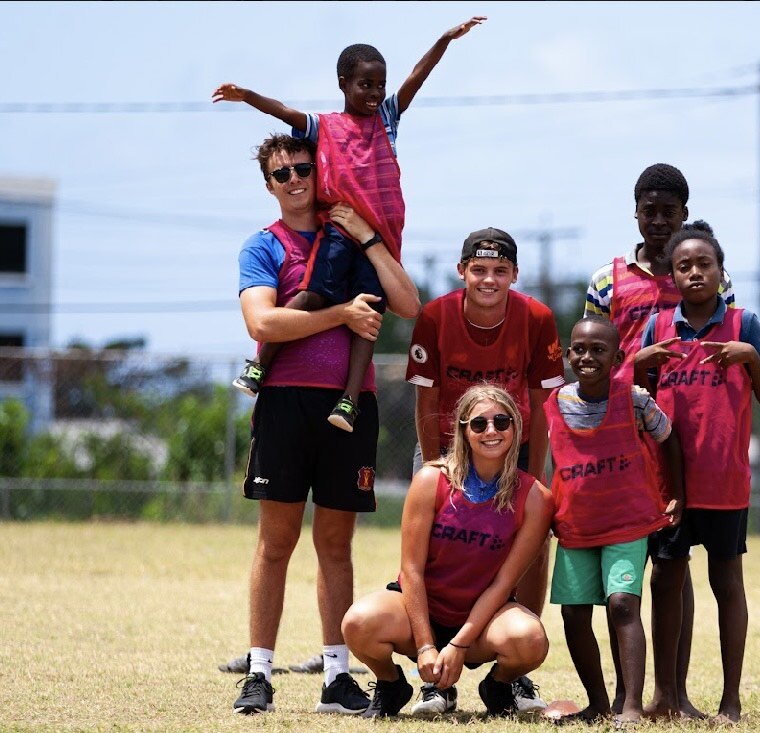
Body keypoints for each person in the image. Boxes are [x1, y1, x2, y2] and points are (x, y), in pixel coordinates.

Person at [213, 16, 484, 431]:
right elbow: (283, 110)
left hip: (379, 239)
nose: (375, 93)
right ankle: (260, 364)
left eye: (379, 84)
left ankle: (349, 401)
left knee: (370, 315)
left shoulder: (387, 119)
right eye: (365, 85)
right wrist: (247, 95)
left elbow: (418, 76)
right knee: (314, 294)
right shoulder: (324, 127)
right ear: (343, 84)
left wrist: (444, 40)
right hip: (341, 231)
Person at [230, 133, 419, 716]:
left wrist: (368, 237)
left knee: (336, 545)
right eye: (282, 174)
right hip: (285, 403)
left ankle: (337, 676)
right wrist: (339, 314)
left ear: (320, 169)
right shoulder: (263, 246)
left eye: (303, 167)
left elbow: (408, 305)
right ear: (268, 185)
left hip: (348, 407)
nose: (295, 180)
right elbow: (263, 322)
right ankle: (259, 673)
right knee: (276, 543)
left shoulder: (352, 234)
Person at [583, 162, 736, 717]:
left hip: (681, 437)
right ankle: (623, 697)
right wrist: (631, 365)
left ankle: (673, 694)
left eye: (669, 212)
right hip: (622, 439)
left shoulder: (703, 270)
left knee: (674, 563)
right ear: (636, 213)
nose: (659, 221)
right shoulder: (608, 279)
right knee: (624, 569)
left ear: (684, 214)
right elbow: (587, 355)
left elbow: (729, 337)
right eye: (650, 211)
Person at [404, 227, 564, 713]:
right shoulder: (435, 315)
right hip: (448, 449)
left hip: (514, 449)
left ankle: (514, 676)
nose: (489, 279)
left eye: (499, 271)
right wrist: (438, 466)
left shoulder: (536, 317)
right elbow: (427, 399)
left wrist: (532, 481)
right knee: (432, 549)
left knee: (531, 550)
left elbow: (541, 402)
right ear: (462, 272)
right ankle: (434, 675)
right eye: (479, 270)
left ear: (515, 274)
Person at [634, 220, 760, 723]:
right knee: (666, 582)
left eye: (704, 264)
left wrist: (750, 360)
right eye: (683, 266)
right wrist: (638, 363)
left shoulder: (744, 324)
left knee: (726, 584)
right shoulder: (658, 327)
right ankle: (667, 695)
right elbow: (631, 399)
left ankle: (730, 701)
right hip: (671, 485)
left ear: (721, 271)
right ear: (671, 276)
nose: (694, 272)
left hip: (724, 481)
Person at [341, 385, 555, 718]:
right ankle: (390, 684)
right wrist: (427, 645)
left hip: (484, 621)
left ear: (516, 427)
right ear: (463, 430)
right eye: (479, 424)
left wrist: (459, 644)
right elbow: (410, 571)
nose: (491, 431)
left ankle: (497, 687)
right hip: (423, 614)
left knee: (530, 640)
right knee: (358, 622)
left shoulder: (534, 496)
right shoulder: (431, 480)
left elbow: (503, 584)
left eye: (502, 421)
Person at [543, 316, 684, 724]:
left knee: (623, 604)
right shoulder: (555, 405)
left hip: (626, 523)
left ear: (618, 357)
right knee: (573, 613)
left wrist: (676, 493)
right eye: (580, 350)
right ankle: (598, 703)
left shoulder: (635, 400)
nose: (588, 357)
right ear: (568, 356)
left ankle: (632, 706)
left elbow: (669, 437)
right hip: (575, 526)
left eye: (599, 350)